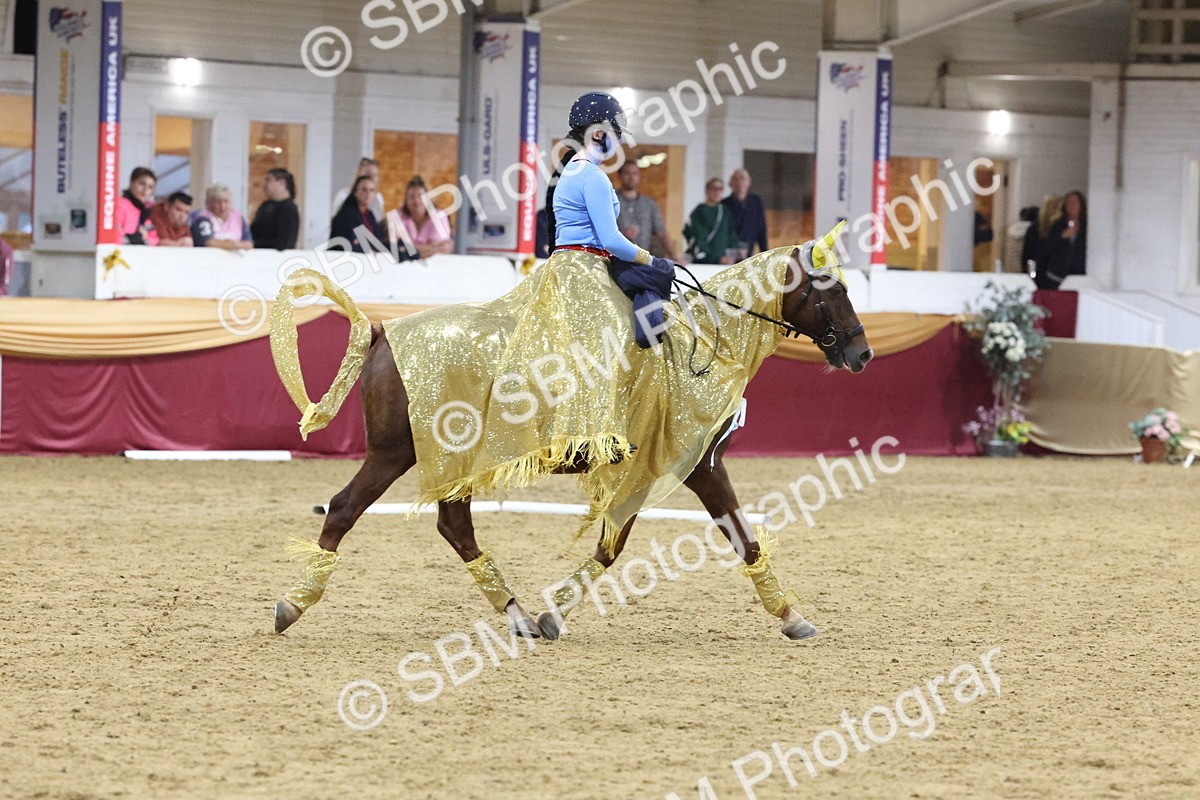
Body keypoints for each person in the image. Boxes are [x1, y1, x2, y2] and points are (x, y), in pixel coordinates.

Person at [616, 161, 682, 262]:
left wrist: (674, 257)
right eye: (627, 173)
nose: (631, 177)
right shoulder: (610, 201)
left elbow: (662, 232)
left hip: (642, 260)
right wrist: (621, 233)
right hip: (615, 258)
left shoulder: (649, 204)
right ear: (620, 175)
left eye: (635, 173)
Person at [388, 176, 453, 259]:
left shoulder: (439, 216)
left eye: (420, 196)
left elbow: (443, 250)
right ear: (406, 200)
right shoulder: (396, 216)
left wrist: (409, 248)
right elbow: (396, 249)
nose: (416, 201)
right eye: (411, 197)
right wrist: (434, 248)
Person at [684, 177, 741, 264]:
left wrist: (737, 250)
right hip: (704, 261)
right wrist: (717, 258)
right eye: (714, 189)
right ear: (707, 191)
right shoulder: (699, 212)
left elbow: (731, 234)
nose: (718, 192)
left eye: (720, 189)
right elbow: (698, 239)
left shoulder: (725, 211)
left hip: (724, 262)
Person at [1038, 190, 1086, 289]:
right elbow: (1046, 250)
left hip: (1078, 278)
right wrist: (1062, 237)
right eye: (1068, 203)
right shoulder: (1057, 225)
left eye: (1074, 202)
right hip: (1056, 277)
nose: (1071, 205)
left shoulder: (1086, 227)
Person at [330, 175, 385, 253]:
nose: (368, 194)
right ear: (355, 192)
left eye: (372, 190)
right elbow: (343, 245)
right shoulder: (345, 215)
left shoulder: (370, 215)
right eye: (364, 190)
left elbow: (377, 242)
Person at [721, 168, 769, 255]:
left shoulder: (755, 202)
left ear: (749, 182)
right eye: (735, 179)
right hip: (728, 254)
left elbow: (761, 228)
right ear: (730, 183)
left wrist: (765, 253)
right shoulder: (723, 205)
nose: (739, 182)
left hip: (748, 252)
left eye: (742, 178)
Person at [191, 184, 252, 250]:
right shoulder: (203, 218)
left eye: (226, 201)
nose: (222, 206)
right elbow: (207, 242)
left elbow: (248, 243)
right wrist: (230, 244)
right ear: (210, 203)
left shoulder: (238, 217)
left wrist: (236, 245)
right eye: (217, 202)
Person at [252, 168, 301, 250]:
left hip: (275, 258)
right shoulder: (265, 205)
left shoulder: (289, 209)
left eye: (268, 180)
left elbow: (284, 243)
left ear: (281, 183)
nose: (265, 185)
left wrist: (254, 244)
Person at [115, 167, 159, 245]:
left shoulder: (144, 211)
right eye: (142, 184)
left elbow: (154, 238)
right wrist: (131, 239)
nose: (145, 190)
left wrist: (143, 241)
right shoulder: (119, 204)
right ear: (131, 183)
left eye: (150, 187)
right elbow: (112, 234)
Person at [333, 158, 384, 222]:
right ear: (357, 175)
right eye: (367, 174)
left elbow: (377, 224)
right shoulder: (343, 196)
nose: (371, 178)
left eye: (374, 175)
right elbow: (347, 224)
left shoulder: (378, 197)